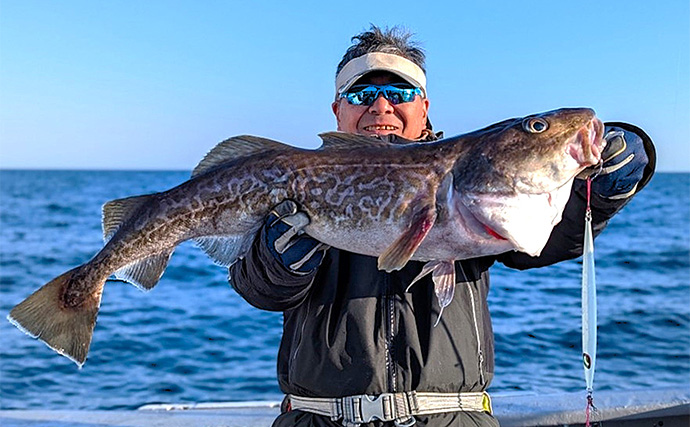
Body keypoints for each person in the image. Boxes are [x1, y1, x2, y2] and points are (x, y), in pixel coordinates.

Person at [229, 26, 656, 427]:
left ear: (424, 106)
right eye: (362, 93)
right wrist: (277, 265)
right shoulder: (293, 180)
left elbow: (550, 240)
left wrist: (602, 192)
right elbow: (257, 289)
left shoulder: (476, 181)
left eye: (399, 92)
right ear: (337, 108)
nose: (381, 106)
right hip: (318, 416)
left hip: (454, 417)